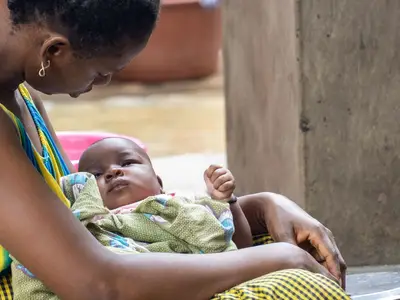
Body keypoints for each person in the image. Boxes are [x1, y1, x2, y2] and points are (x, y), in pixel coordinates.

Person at [0, 0, 347, 299]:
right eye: (100, 71)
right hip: (86, 285)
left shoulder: (21, 94)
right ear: (54, 52)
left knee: (275, 247)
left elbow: (85, 224)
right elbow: (98, 285)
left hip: (94, 275)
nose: (101, 83)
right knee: (294, 284)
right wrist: (278, 258)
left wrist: (263, 208)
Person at [78, 137, 253, 249]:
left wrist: (226, 200)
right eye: (96, 175)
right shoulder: (96, 225)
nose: (112, 171)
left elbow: (242, 247)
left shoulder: (188, 202)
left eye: (127, 163)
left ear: (159, 184)